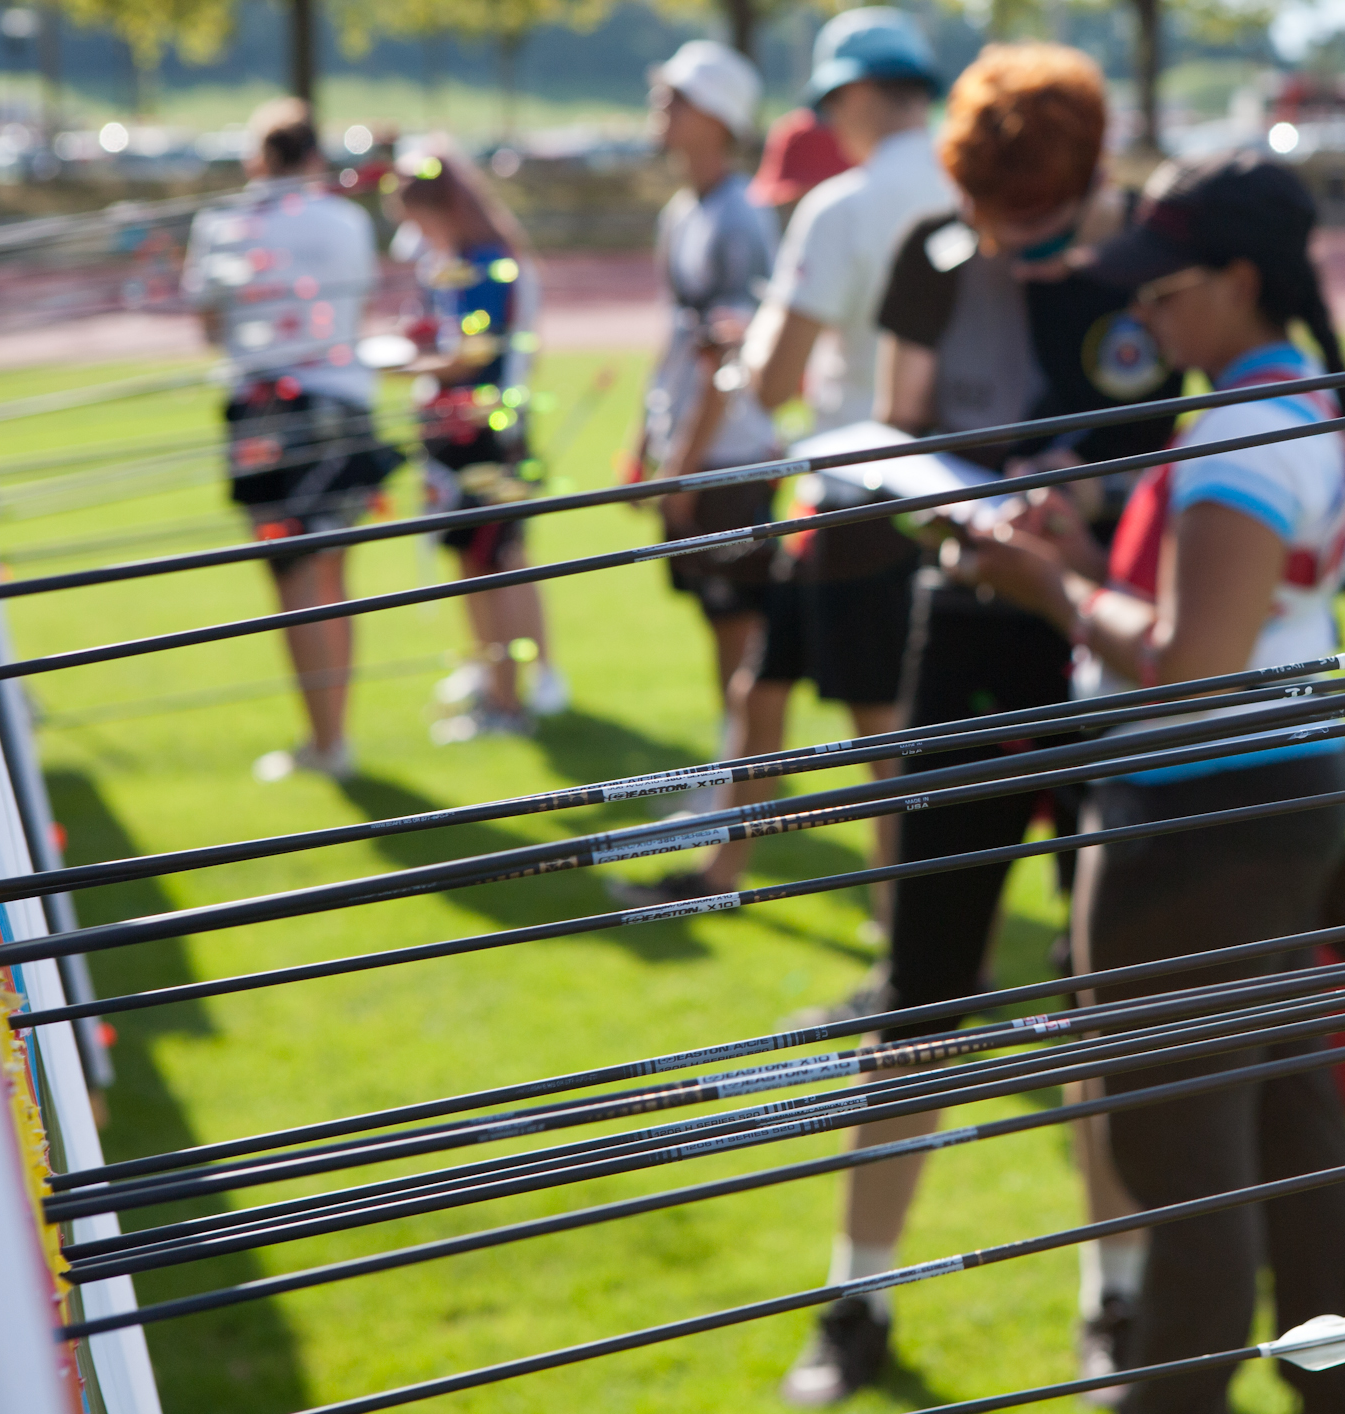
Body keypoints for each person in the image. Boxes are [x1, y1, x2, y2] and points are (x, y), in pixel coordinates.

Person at [781, 42, 1188, 1407]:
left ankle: (1115, 1297)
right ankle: (856, 1293)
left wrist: (1086, 523)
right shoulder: (932, 258)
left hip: (1110, 648)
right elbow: (894, 431)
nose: (1012, 241)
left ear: (1087, 177)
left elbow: (1181, 458)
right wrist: (958, 509)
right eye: (991, 213)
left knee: (1102, 991)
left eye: (1038, 216)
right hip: (964, 640)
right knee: (921, 991)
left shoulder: (1148, 267)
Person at [953, 150, 1345, 1414]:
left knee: (1180, 1159)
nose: (1142, 314)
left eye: (1165, 289)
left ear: (1241, 279)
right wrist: (1089, 558)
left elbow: (1192, 669)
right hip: (1274, 799)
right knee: (1292, 1125)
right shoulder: (1291, 397)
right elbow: (1224, 617)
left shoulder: (1242, 429)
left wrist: (1047, 586)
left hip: (1199, 817)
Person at [611, 9, 950, 927]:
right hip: (933, 480)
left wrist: (744, 346)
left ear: (857, 94)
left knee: (879, 729)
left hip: (854, 483)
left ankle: (904, 946)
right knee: (759, 688)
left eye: (830, 102)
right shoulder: (963, 186)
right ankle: (723, 871)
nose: (826, 121)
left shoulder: (842, 205)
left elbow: (773, 379)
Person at [184, 97, 395, 784]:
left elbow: (209, 326)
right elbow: (357, 308)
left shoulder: (222, 224)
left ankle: (325, 740)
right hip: (340, 406)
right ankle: (332, 737)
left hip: (266, 416)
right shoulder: (346, 221)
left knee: (296, 582)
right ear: (313, 156)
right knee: (330, 577)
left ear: (257, 159)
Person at [389, 146, 567, 741]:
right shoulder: (461, 258)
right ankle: (495, 685)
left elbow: (472, 356)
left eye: (420, 221)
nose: (419, 237)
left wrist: (406, 364)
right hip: (459, 436)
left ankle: (508, 703)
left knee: (493, 564)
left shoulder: (488, 262)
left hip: (487, 436)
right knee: (474, 563)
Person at [623, 41, 779, 715]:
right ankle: (733, 756)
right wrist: (645, 440)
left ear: (716, 115)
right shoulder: (683, 211)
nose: (659, 105)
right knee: (716, 617)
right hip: (692, 451)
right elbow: (676, 338)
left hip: (727, 454)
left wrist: (681, 466)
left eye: (676, 98)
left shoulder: (738, 217)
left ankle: (742, 765)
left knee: (738, 619)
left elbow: (728, 357)